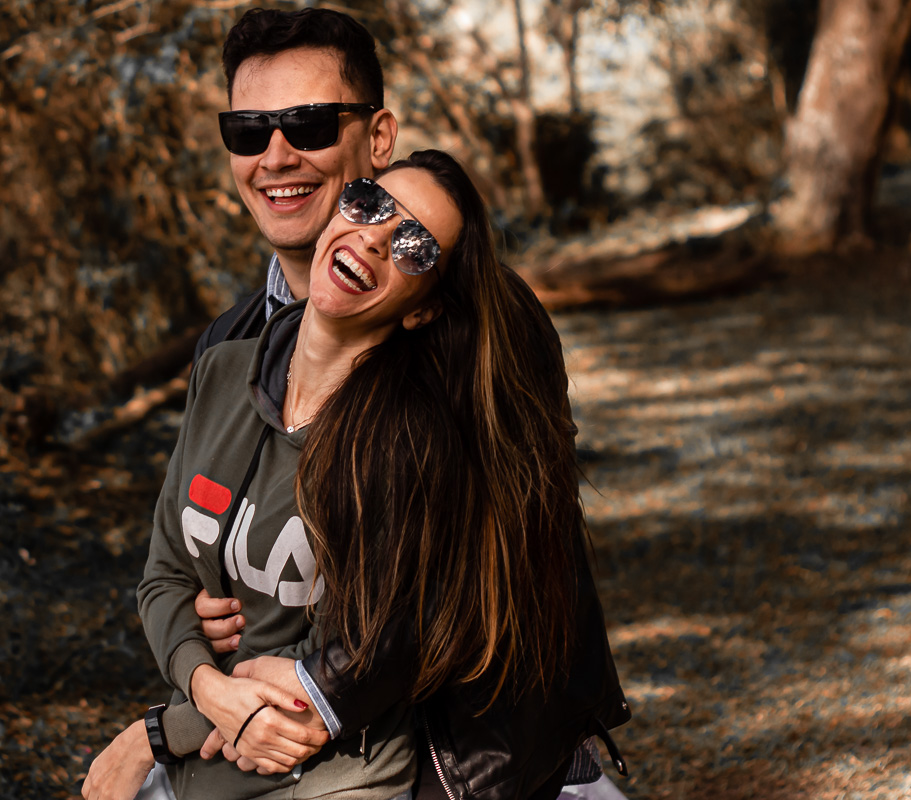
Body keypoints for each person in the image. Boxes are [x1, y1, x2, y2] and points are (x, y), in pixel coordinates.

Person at [82, 9, 628, 800]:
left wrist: (162, 729)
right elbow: (183, 571)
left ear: (378, 140)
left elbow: (424, 615)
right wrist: (217, 605)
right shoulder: (231, 348)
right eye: (248, 129)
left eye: (306, 124)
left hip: (476, 769)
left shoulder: (480, 334)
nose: (275, 156)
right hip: (275, 751)